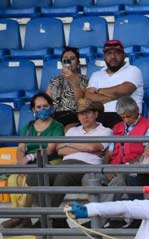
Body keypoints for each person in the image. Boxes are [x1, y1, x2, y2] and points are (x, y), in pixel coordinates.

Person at [28, 99, 111, 224]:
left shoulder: (105, 131)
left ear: (96, 114)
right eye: (81, 114)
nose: (84, 116)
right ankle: (56, 219)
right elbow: (60, 150)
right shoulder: (72, 131)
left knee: (64, 175)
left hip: (87, 167)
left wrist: (72, 145)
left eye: (88, 113)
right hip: (65, 164)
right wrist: (86, 147)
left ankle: (46, 220)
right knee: (34, 177)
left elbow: (93, 147)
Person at [1, 94, 64, 228]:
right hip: (28, 163)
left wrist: (29, 157)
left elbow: (51, 148)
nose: (42, 109)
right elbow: (20, 148)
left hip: (49, 161)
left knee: (28, 180)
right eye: (39, 107)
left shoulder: (57, 126)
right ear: (33, 110)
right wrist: (22, 163)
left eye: (45, 106)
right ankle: (23, 217)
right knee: (13, 179)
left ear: (51, 107)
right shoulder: (28, 127)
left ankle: (20, 217)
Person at [104, 97, 149, 209]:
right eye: (123, 117)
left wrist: (125, 167)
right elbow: (110, 152)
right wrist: (106, 168)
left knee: (118, 182)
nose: (126, 120)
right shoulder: (117, 127)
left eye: (129, 116)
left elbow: (147, 153)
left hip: (132, 168)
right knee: (91, 177)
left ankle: (99, 218)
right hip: (115, 167)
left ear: (136, 111)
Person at [84, 40, 144, 129]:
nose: (113, 56)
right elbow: (89, 97)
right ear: (104, 56)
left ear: (123, 55)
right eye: (109, 53)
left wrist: (99, 91)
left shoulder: (133, 70)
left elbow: (124, 90)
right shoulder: (96, 75)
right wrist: (114, 96)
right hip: (98, 117)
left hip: (125, 116)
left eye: (117, 53)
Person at [45, 47, 88, 128]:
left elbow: (80, 101)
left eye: (72, 59)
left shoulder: (84, 79)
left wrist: (73, 81)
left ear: (78, 63)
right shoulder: (54, 80)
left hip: (74, 116)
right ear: (62, 63)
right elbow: (46, 100)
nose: (69, 61)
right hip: (55, 116)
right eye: (65, 59)